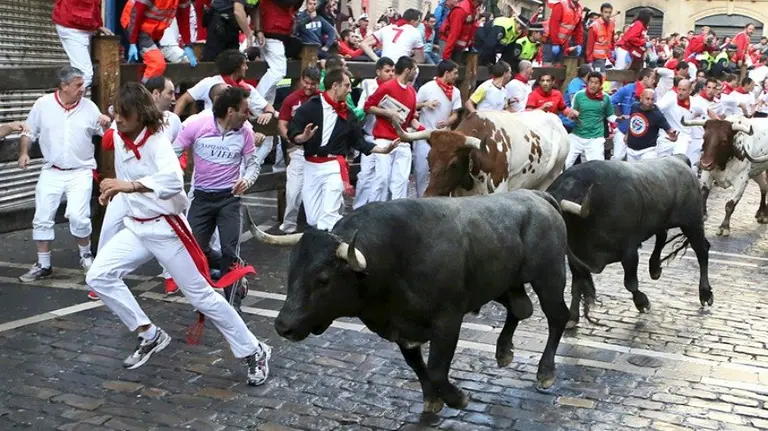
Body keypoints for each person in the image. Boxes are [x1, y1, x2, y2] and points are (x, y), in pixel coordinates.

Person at [86, 82, 271, 386]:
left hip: (167, 228)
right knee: (98, 276)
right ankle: (149, 333)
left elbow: (173, 181)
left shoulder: (157, 141)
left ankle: (255, 350)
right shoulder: (119, 136)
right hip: (137, 226)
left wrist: (127, 186)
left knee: (202, 297)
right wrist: (114, 191)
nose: (117, 119)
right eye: (116, 113)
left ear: (140, 114)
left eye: (123, 114)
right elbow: (126, 175)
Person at [89, 75, 183, 300]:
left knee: (165, 234)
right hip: (126, 187)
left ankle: (171, 275)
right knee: (109, 228)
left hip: (156, 190)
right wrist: (115, 126)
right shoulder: (127, 116)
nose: (173, 98)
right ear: (155, 94)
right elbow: (108, 143)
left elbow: (177, 152)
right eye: (170, 92)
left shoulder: (174, 120)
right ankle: (103, 274)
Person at [17, 66, 111, 283]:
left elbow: (106, 134)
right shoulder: (43, 104)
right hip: (52, 170)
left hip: (81, 171)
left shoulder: (89, 107)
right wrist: (24, 153)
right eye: (78, 85)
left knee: (78, 216)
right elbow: (28, 131)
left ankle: (86, 257)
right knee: (42, 217)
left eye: (84, 85)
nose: (83, 89)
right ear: (64, 86)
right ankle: (43, 264)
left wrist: (108, 122)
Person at [173, 86, 261, 313]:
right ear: (231, 111)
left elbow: (253, 164)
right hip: (201, 198)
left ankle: (234, 304)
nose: (248, 115)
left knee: (231, 250)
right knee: (196, 251)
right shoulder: (197, 125)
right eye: (244, 111)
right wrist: (173, 175)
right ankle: (231, 269)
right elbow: (173, 152)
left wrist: (247, 181)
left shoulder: (246, 134)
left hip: (229, 200)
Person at [288, 69, 399, 230]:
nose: (350, 89)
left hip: (334, 166)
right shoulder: (309, 108)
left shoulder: (348, 114)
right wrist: (303, 138)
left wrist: (383, 150)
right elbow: (293, 133)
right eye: (347, 85)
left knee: (328, 216)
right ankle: (343, 227)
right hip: (311, 165)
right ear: (335, 86)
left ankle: (333, 247)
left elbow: (358, 141)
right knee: (313, 219)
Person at [365, 56, 424, 202]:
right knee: (382, 179)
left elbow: (411, 120)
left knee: (401, 182)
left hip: (402, 141)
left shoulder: (411, 92)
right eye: (414, 70)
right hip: (384, 139)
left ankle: (397, 215)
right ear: (407, 70)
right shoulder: (387, 87)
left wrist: (425, 131)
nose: (416, 73)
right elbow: (368, 106)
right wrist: (388, 113)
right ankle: (374, 212)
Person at [276, 67, 322, 234]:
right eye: (306, 83)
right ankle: (288, 226)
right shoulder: (291, 99)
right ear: (302, 80)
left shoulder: (323, 99)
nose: (309, 87)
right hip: (298, 150)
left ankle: (321, 227)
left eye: (313, 84)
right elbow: (282, 124)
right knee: (293, 192)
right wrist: (292, 140)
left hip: (319, 152)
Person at [413, 60, 462, 197]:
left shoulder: (455, 92)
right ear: (446, 73)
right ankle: (420, 197)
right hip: (425, 135)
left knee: (442, 170)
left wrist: (447, 122)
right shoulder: (427, 88)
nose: (456, 76)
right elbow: (413, 106)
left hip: (444, 138)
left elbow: (455, 114)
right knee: (421, 170)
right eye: (455, 73)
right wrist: (425, 104)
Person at [353, 57, 396, 210]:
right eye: (387, 71)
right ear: (378, 71)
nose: (391, 74)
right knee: (365, 175)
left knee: (384, 177)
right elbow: (362, 107)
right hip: (369, 135)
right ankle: (358, 208)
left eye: (392, 71)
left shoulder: (395, 86)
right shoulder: (368, 84)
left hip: (387, 137)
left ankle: (378, 209)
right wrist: (360, 112)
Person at [120, 0, 198, 82]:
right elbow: (136, 14)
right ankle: (143, 92)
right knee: (157, 64)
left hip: (153, 30)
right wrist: (133, 42)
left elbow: (183, 19)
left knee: (151, 64)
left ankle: (144, 88)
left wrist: (188, 45)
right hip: (135, 24)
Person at [52, 0, 113, 88]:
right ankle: (67, 100)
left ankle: (72, 99)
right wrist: (96, 25)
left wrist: (97, 25)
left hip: (81, 26)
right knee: (84, 75)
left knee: (84, 74)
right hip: (72, 26)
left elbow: (92, 6)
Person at [565, 71, 615, 168]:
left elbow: (610, 116)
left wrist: (619, 121)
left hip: (595, 138)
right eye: (591, 82)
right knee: (565, 163)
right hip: (577, 135)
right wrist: (572, 116)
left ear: (600, 85)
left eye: (596, 83)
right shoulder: (579, 95)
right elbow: (572, 114)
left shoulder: (606, 98)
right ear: (587, 83)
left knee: (597, 168)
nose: (593, 85)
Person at [611, 68, 656, 161]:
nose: (654, 81)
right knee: (618, 157)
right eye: (653, 78)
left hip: (641, 133)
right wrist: (619, 116)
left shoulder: (652, 94)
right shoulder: (627, 89)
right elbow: (612, 101)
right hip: (624, 129)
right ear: (645, 78)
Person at [624, 89, 678, 161]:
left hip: (648, 152)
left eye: (652, 99)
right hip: (631, 150)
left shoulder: (657, 115)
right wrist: (627, 135)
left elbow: (669, 130)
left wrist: (673, 136)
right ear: (641, 97)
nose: (650, 102)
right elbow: (632, 123)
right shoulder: (634, 107)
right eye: (647, 99)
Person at [585, 3, 615, 73]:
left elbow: (612, 39)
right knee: (599, 77)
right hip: (597, 57)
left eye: (610, 12)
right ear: (601, 12)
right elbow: (590, 44)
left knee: (607, 78)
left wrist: (612, 52)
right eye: (605, 12)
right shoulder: (594, 25)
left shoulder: (612, 24)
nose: (608, 14)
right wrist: (589, 60)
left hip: (607, 57)